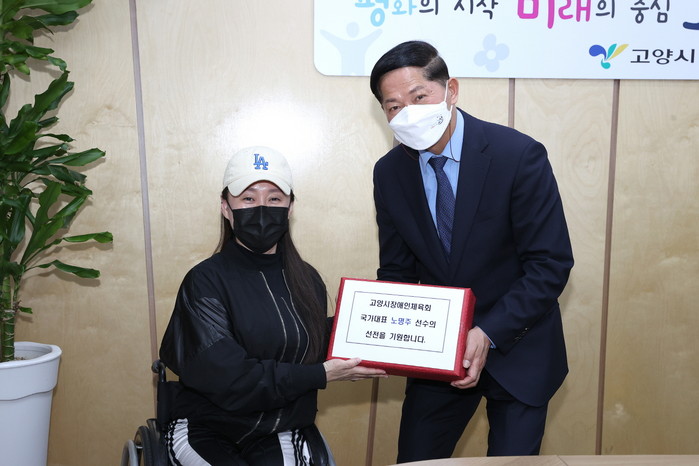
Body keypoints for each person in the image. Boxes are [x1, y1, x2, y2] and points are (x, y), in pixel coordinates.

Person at [369, 41, 574, 461]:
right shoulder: (389, 173)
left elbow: (549, 264)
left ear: (451, 90)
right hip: (437, 356)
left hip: (519, 347)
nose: (407, 112)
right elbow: (397, 271)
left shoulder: (517, 155)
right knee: (416, 459)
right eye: (393, 106)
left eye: (419, 97)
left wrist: (488, 332)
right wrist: (377, 331)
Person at [159, 146, 386, 465]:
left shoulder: (307, 279)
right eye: (248, 199)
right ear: (226, 208)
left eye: (275, 198)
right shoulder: (204, 281)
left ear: (290, 207)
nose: (262, 208)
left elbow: (312, 342)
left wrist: (371, 329)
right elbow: (229, 378)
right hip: (205, 427)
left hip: (280, 426)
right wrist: (320, 375)